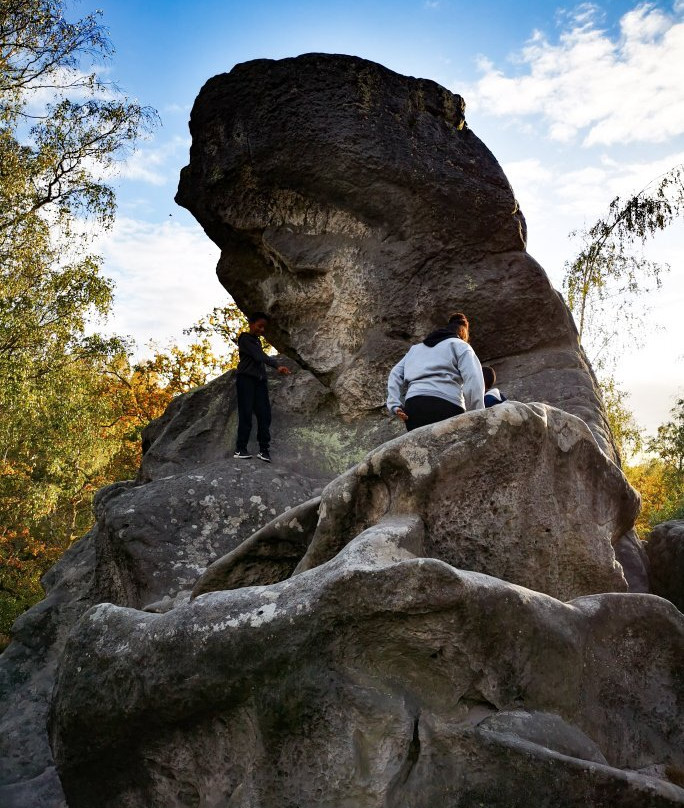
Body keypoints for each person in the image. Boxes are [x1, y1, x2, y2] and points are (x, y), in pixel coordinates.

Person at [386, 312, 485, 431]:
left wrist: (394, 404)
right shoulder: (460, 345)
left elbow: (395, 374)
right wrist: (478, 416)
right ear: (463, 333)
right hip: (447, 405)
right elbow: (474, 381)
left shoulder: (415, 349)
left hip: (414, 407)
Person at [234, 312, 291, 462]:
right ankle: (241, 449)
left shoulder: (257, 342)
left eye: (264, 327)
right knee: (246, 414)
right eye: (260, 326)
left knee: (264, 414)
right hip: (246, 380)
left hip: (260, 382)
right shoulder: (244, 338)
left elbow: (260, 355)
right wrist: (277, 365)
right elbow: (259, 356)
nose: (262, 330)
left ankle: (264, 450)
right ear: (251, 324)